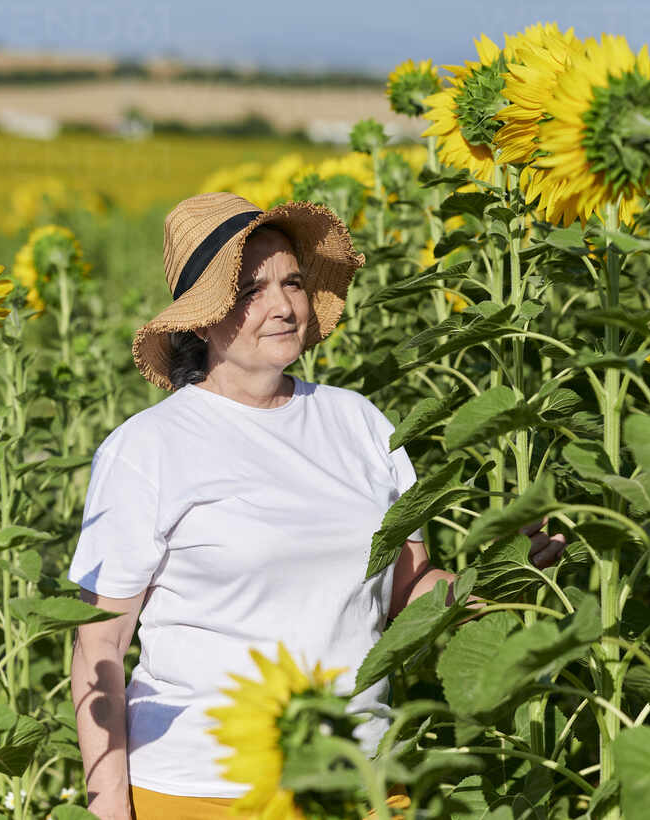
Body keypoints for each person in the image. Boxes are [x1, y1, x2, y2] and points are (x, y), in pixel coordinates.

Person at [68, 192, 566, 820]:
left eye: (293, 282)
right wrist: (109, 808)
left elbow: (406, 591)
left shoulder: (358, 421)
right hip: (205, 786)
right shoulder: (150, 448)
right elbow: (98, 649)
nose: (282, 306)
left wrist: (503, 578)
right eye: (250, 290)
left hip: (361, 778)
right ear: (200, 317)